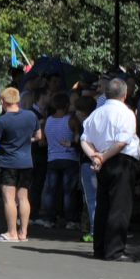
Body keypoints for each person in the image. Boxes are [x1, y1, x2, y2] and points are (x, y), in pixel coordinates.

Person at [81, 77, 140, 262]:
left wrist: (95, 157)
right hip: (122, 160)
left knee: (103, 205)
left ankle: (100, 248)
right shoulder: (126, 113)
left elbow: (84, 139)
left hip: (102, 161)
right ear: (124, 95)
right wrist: (103, 156)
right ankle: (115, 250)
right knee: (120, 206)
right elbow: (122, 142)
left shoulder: (96, 114)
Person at [0, 87, 39, 243]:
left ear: (3, 102)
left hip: (8, 162)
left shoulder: (2, 121)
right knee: (24, 198)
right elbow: (38, 136)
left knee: (9, 199)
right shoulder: (31, 116)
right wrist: (26, 141)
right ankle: (23, 232)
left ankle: (12, 232)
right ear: (18, 100)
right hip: (26, 162)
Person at [37, 91, 84, 233]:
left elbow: (43, 141)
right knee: (68, 191)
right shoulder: (71, 120)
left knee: (51, 190)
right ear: (67, 105)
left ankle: (50, 218)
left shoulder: (47, 121)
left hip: (52, 158)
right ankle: (70, 220)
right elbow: (77, 138)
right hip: (69, 158)